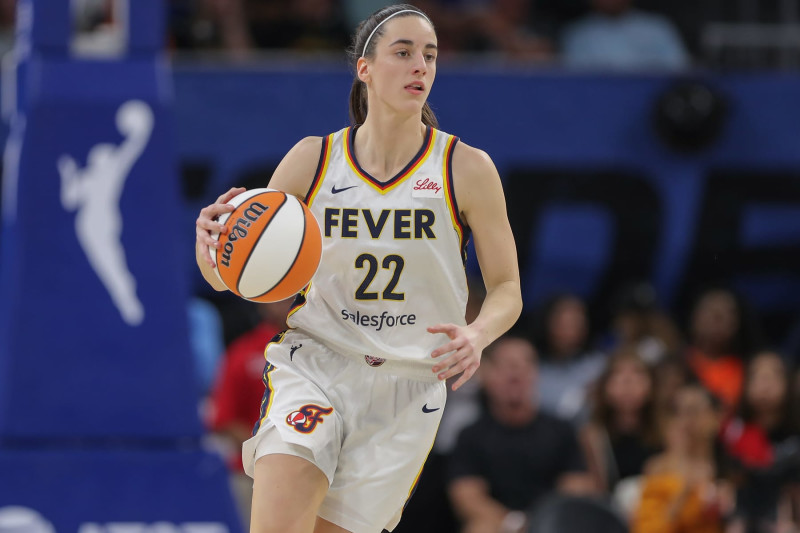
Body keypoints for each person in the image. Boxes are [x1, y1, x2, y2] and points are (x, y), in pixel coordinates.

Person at [194, 5, 523, 533]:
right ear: (365, 68)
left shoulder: (466, 167)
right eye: (403, 52)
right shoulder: (314, 159)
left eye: (430, 55)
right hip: (317, 364)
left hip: (409, 385)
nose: (421, 66)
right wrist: (211, 248)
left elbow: (508, 288)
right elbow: (235, 277)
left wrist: (478, 333)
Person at [447, 336, 594, 533]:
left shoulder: (561, 429)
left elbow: (576, 486)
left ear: (536, 374)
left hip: (551, 522)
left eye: (524, 364)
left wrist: (540, 522)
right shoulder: (470, 436)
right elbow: (466, 495)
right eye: (506, 365)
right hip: (497, 524)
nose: (515, 372)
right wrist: (514, 523)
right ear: (487, 376)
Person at [632, 384, 734, 533]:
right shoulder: (659, 468)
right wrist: (685, 492)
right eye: (679, 412)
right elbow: (647, 529)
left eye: (694, 411)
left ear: (716, 417)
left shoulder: (729, 468)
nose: (687, 420)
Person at [561, 0, 690, 71]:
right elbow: (575, 81)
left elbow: (680, 71)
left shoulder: (658, 28)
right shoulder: (577, 34)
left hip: (654, 106)